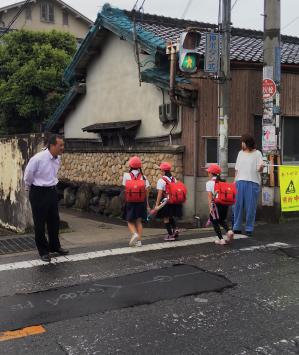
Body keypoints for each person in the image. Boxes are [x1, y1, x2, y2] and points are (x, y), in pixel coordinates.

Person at [24, 134, 69, 262]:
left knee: (54, 221)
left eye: (63, 145)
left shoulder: (57, 158)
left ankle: (55, 246)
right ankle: (43, 251)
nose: (62, 147)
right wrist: (28, 188)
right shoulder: (38, 159)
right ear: (52, 145)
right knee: (39, 223)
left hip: (51, 191)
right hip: (38, 192)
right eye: (60, 145)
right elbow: (28, 175)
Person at [233, 134, 264, 236]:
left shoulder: (258, 153)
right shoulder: (240, 153)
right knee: (237, 206)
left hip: (252, 182)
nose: (242, 144)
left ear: (248, 143)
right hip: (239, 182)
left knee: (250, 207)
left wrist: (261, 167)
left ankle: (249, 228)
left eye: (243, 142)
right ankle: (236, 227)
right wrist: (234, 181)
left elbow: (260, 169)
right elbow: (237, 169)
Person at [122, 156, 150, 247]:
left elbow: (125, 188)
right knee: (138, 221)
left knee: (129, 220)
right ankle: (139, 241)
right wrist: (147, 205)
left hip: (130, 201)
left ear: (130, 165)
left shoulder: (126, 175)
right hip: (141, 202)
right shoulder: (144, 177)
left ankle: (134, 234)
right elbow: (147, 191)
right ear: (139, 166)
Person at [206, 164, 234, 245]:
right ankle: (229, 231)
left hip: (216, 205)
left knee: (214, 221)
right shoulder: (223, 181)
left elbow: (209, 196)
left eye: (208, 172)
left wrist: (210, 208)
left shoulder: (209, 183)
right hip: (225, 203)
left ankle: (221, 239)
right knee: (221, 220)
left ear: (211, 173)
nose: (208, 174)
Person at [155, 162, 183, 241]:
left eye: (161, 170)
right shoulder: (174, 179)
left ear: (163, 171)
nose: (160, 171)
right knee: (170, 216)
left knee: (166, 218)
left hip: (166, 202)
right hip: (174, 201)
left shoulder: (161, 180)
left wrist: (157, 205)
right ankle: (175, 229)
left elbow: (160, 193)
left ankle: (170, 235)